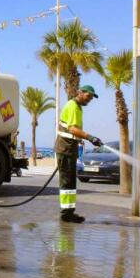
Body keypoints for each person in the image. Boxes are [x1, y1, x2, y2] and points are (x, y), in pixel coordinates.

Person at [54, 85, 103, 223]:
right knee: (66, 183)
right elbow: (73, 129)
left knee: (70, 184)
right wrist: (90, 137)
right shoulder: (73, 106)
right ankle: (66, 214)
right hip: (65, 149)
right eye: (88, 96)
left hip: (69, 149)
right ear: (80, 93)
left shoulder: (77, 107)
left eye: (92, 98)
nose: (90, 100)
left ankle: (69, 212)